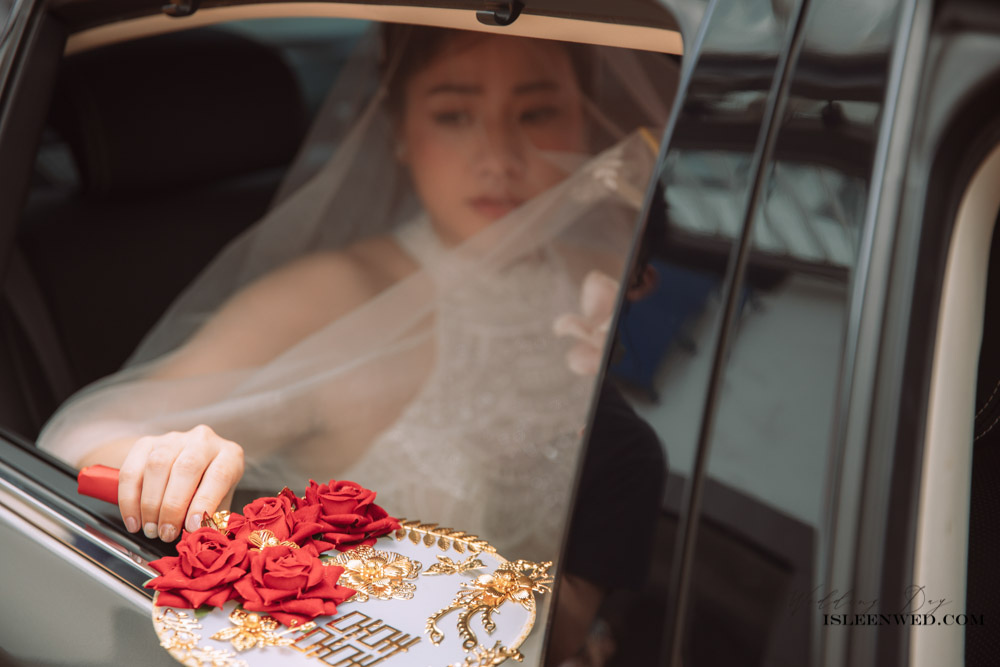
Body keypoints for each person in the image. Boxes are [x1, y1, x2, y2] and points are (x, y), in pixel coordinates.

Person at [39, 23, 674, 565]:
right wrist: (171, 463)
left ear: (586, 120)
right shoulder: (332, 296)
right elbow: (77, 443)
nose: (498, 156)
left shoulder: (614, 277)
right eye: (454, 115)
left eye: (536, 113)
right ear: (399, 131)